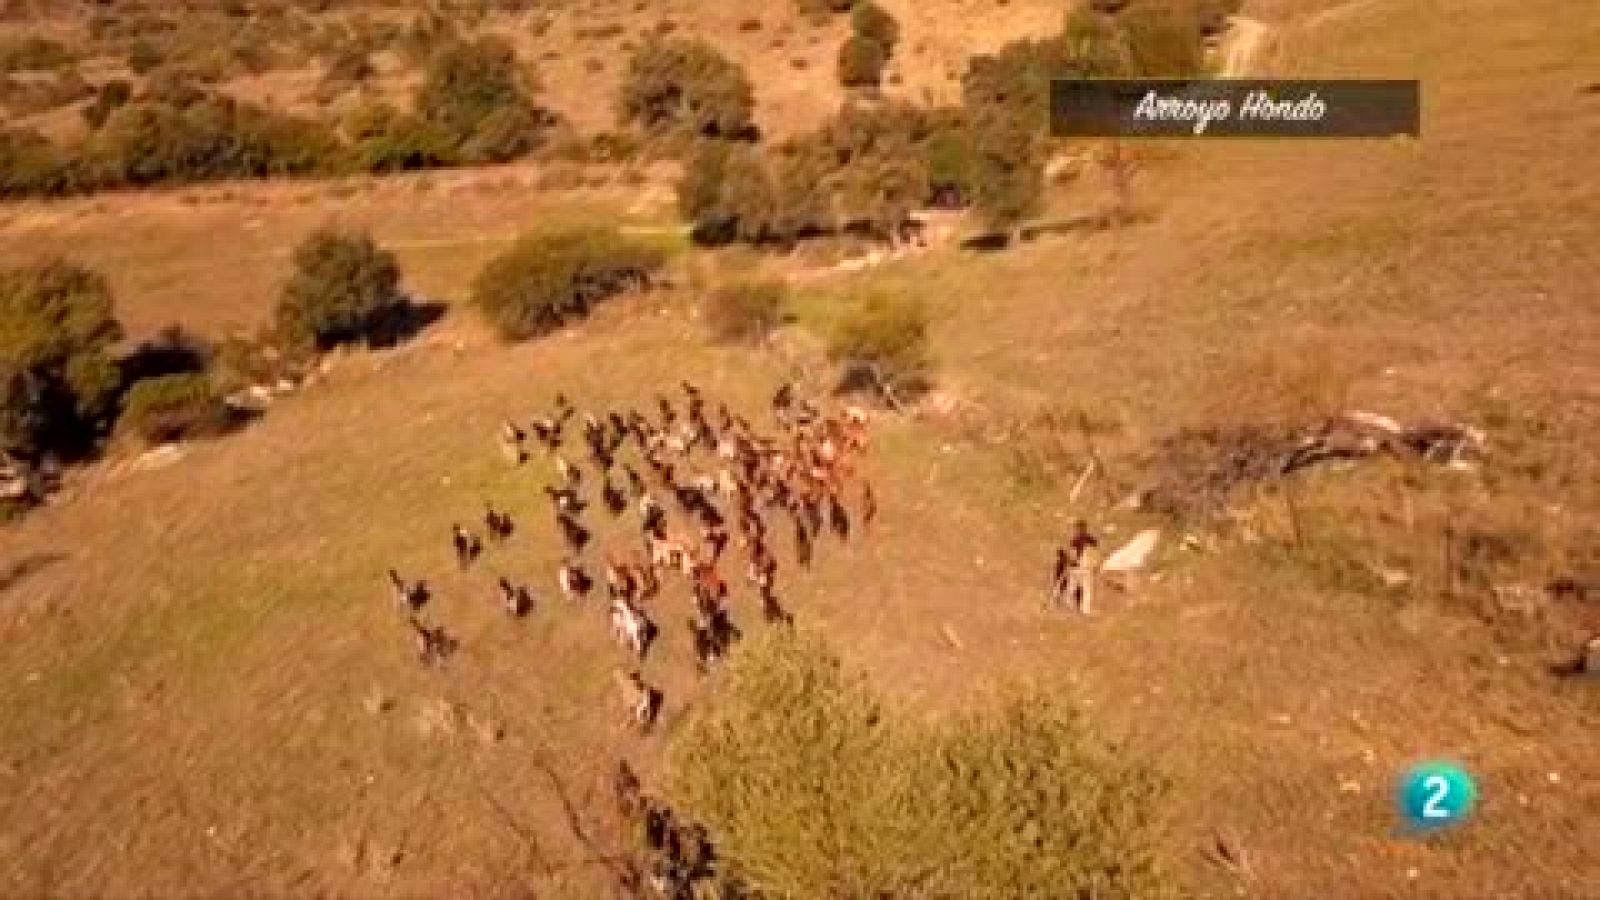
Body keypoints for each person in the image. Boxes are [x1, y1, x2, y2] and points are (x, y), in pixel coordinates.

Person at [1053, 519, 1101, 615]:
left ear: (1078, 528)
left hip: (1077, 566)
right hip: (1087, 566)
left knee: (1073, 586)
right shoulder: (1092, 540)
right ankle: (1085, 609)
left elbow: (1073, 554)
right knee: (1086, 589)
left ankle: (1068, 604)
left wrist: (1070, 562)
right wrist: (1095, 565)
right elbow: (1095, 554)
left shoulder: (1075, 540)